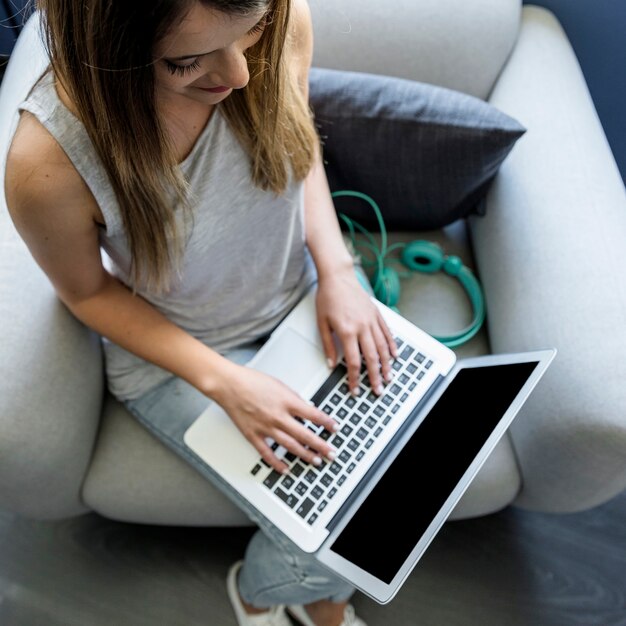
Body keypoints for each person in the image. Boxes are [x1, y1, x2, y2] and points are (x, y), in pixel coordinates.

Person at [5, 1, 398, 624]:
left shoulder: (283, 19)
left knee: (407, 471)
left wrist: (339, 271)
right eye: (188, 61)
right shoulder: (47, 163)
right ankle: (260, 596)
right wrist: (229, 384)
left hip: (298, 299)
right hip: (181, 355)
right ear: (109, 52)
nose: (241, 74)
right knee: (347, 539)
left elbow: (297, 149)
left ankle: (315, 594)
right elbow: (86, 295)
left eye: (253, 31)